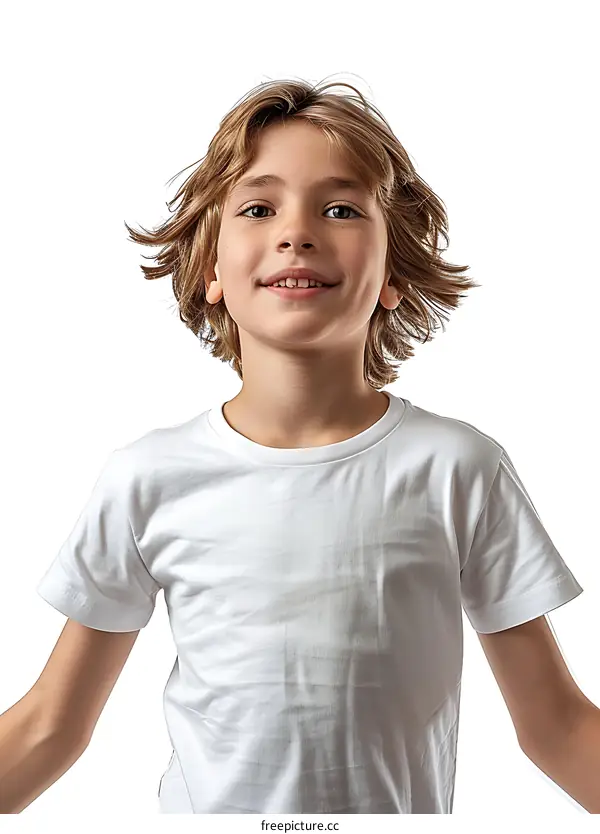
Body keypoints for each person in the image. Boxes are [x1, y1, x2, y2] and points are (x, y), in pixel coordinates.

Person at [4, 77, 584, 814]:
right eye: (258, 208)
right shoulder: (147, 478)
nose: (296, 232)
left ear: (393, 273)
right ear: (212, 270)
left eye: (340, 209)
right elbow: (50, 729)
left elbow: (557, 728)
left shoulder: (456, 469)